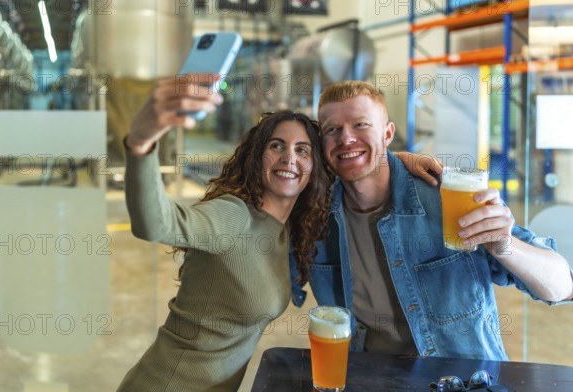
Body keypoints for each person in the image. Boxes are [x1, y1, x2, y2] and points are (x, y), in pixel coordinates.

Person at [118, 75, 439, 391]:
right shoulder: (234, 214)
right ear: (257, 157)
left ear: (315, 165)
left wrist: (398, 160)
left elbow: (356, 165)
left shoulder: (294, 229)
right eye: (277, 146)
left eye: (302, 150)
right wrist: (140, 144)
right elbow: (157, 223)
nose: (289, 158)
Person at [290, 80, 573, 361]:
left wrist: (506, 246)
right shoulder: (313, 218)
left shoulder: (447, 198)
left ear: (388, 133)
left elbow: (562, 288)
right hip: (368, 378)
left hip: (462, 381)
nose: (346, 138)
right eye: (332, 129)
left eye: (361, 125)